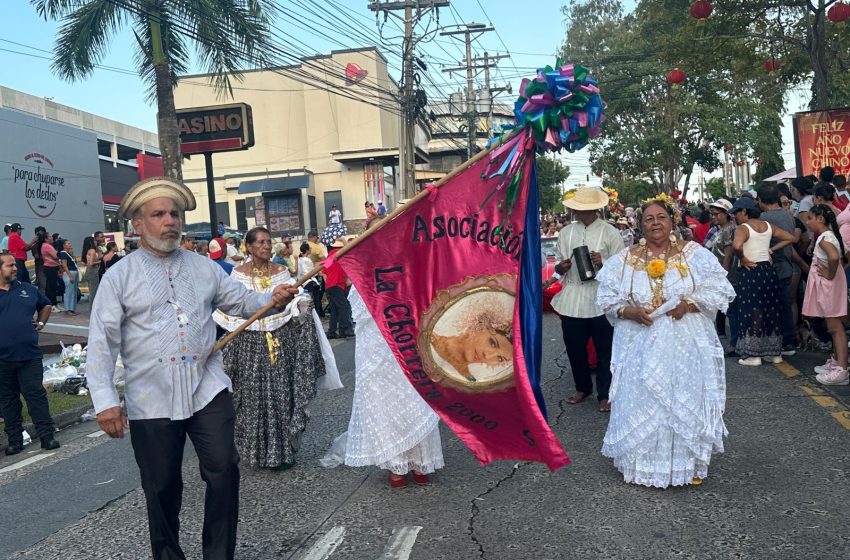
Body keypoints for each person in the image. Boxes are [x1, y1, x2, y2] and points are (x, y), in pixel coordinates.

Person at [85, 177, 298, 560]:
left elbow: (244, 303)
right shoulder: (119, 276)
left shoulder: (205, 268)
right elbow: (102, 342)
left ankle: (219, 555)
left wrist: (274, 299)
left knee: (223, 470)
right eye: (159, 214)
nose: (170, 221)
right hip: (150, 397)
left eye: (175, 213)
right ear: (137, 225)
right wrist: (105, 400)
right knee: (161, 486)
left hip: (206, 387)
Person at [596, 199, 735, 488]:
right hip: (639, 343)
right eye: (648, 219)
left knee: (684, 396)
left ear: (673, 222)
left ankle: (689, 464)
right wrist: (630, 311)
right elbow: (607, 299)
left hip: (685, 343)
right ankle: (643, 466)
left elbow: (719, 290)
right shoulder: (625, 259)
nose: (655, 222)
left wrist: (689, 303)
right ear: (640, 225)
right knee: (643, 398)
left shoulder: (693, 254)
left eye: (661, 217)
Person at [213, 227, 341, 470]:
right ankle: (257, 453)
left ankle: (282, 452)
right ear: (248, 247)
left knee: (282, 395)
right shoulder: (237, 276)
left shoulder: (281, 272)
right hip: (247, 345)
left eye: (268, 242)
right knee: (251, 399)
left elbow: (296, 295)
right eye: (260, 242)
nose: (266, 246)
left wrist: (303, 302)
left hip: (280, 341)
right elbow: (229, 306)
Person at [332, 285, 444, 488]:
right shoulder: (361, 262)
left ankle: (420, 461)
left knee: (414, 393)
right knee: (383, 397)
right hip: (375, 339)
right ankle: (395, 463)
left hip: (408, 331)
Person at [551, 187, 623, 412]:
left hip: (600, 296)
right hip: (572, 296)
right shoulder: (565, 232)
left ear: (593, 210)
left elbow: (622, 267)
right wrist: (561, 266)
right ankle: (582, 387)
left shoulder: (610, 232)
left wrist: (603, 261)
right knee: (574, 348)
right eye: (575, 210)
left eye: (580, 210)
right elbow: (557, 265)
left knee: (605, 350)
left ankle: (605, 393)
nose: (576, 213)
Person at [0, 253, 61, 456]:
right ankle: (15, 441)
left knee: (36, 397)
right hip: (2, 360)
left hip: (29, 356)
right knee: (8, 402)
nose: (15, 268)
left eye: (15, 265)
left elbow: (45, 304)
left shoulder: (27, 289)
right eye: (10, 266)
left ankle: (47, 437)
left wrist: (41, 322)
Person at [730, 197, 796, 366]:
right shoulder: (767, 226)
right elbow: (791, 237)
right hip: (768, 270)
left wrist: (743, 259)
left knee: (751, 310)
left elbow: (737, 246)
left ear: (744, 212)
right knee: (771, 308)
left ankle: (753, 355)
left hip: (750, 271)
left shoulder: (742, 228)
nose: (735, 217)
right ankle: (774, 353)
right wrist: (770, 250)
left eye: (736, 213)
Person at [804, 205, 849, 386]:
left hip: (828, 287)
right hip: (830, 286)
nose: (807, 222)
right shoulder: (830, 235)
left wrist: (831, 274)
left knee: (835, 327)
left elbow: (833, 257)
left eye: (810, 218)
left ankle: (841, 370)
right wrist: (835, 272)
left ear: (820, 219)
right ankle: (837, 362)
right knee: (833, 326)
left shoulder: (824, 238)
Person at [757, 182, 800, 356]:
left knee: (772, 307)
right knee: (786, 306)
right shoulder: (788, 215)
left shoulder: (764, 219)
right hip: (787, 267)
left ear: (760, 200)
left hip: (772, 267)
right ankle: (788, 342)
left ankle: (776, 342)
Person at [431, 328, 513, 382]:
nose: (487, 356)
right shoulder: (427, 336)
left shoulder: (469, 382)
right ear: (480, 329)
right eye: (492, 343)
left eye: (500, 358)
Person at [707, 199, 736, 342]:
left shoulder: (729, 229)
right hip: (718, 272)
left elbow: (728, 254)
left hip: (727, 274)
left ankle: (733, 341)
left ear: (726, 214)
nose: (714, 217)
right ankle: (722, 333)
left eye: (717, 214)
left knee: (729, 307)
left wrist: (723, 276)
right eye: (712, 214)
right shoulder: (720, 230)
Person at [40, 229, 62, 310]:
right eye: (49, 236)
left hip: (52, 267)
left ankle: (55, 304)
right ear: (46, 239)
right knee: (51, 287)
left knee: (53, 286)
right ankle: (52, 305)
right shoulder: (46, 246)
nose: (51, 237)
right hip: (50, 267)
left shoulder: (48, 245)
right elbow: (56, 256)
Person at [58, 239, 79, 316]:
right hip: (69, 273)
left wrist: (71, 253)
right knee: (69, 292)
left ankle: (72, 308)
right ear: (64, 245)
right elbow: (64, 265)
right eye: (68, 243)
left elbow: (74, 261)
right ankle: (67, 309)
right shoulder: (63, 253)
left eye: (70, 243)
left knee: (73, 292)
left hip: (74, 271)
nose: (70, 245)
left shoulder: (68, 253)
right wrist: (70, 275)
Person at [82, 235, 102, 304]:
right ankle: (92, 310)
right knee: (94, 292)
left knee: (93, 291)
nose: (96, 242)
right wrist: (100, 261)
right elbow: (90, 263)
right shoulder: (92, 250)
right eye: (94, 241)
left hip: (90, 271)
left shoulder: (90, 250)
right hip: (93, 271)